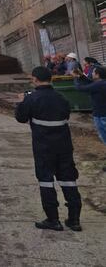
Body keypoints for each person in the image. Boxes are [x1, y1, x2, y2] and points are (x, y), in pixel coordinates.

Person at [15, 66, 82, 231]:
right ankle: (74, 220)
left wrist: (21, 102)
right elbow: (65, 115)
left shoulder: (31, 99)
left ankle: (53, 220)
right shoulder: (61, 98)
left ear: (35, 79)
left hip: (44, 148)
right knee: (69, 180)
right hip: (64, 147)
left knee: (46, 182)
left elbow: (21, 118)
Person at [74, 65, 106, 171]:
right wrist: (82, 76)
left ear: (97, 75)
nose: (91, 73)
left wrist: (76, 78)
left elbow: (81, 88)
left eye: (93, 72)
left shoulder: (98, 85)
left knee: (104, 138)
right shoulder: (101, 83)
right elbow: (91, 83)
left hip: (101, 116)